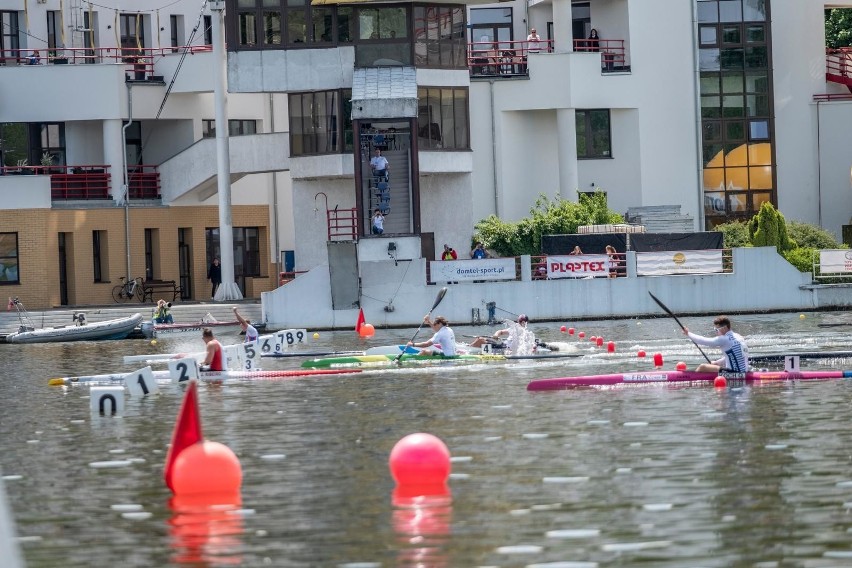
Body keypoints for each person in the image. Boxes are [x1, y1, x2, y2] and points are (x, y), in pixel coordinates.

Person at [682, 316, 749, 374]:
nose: (716, 332)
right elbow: (733, 356)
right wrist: (717, 362)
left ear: (724, 328)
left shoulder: (724, 339)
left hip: (734, 373)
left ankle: (690, 378)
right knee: (713, 366)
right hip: (745, 371)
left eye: (717, 329)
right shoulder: (738, 336)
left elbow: (703, 341)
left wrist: (688, 333)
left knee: (702, 367)